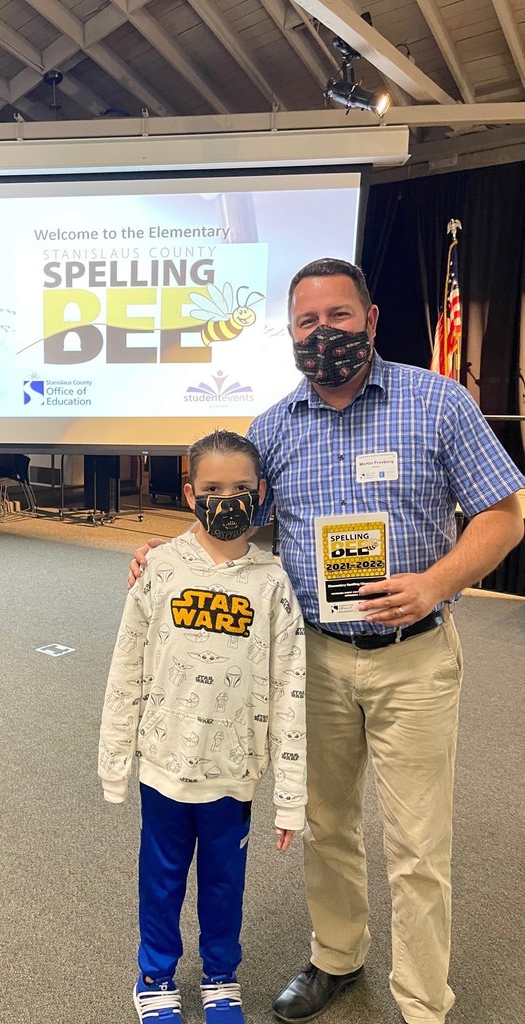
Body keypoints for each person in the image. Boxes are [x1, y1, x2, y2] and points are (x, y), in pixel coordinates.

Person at [129, 258, 525, 1024]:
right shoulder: (273, 430)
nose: (324, 334)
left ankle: (420, 1002)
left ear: (371, 320)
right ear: (291, 335)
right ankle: (337, 959)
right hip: (311, 657)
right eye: (308, 323)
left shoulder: (438, 403)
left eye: (339, 317)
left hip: (414, 655)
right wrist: (163, 555)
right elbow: (229, 520)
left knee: (417, 844)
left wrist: (436, 583)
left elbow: (505, 515)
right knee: (327, 823)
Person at [100, 429, 307, 1024]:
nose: (227, 499)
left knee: (224, 884)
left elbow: (291, 689)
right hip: (164, 766)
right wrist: (115, 759)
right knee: (160, 881)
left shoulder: (271, 581)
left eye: (242, 488)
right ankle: (154, 977)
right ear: (190, 493)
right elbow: (127, 666)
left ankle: (221, 976)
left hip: (233, 774)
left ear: (262, 493)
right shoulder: (159, 569)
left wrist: (290, 797)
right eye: (213, 488)